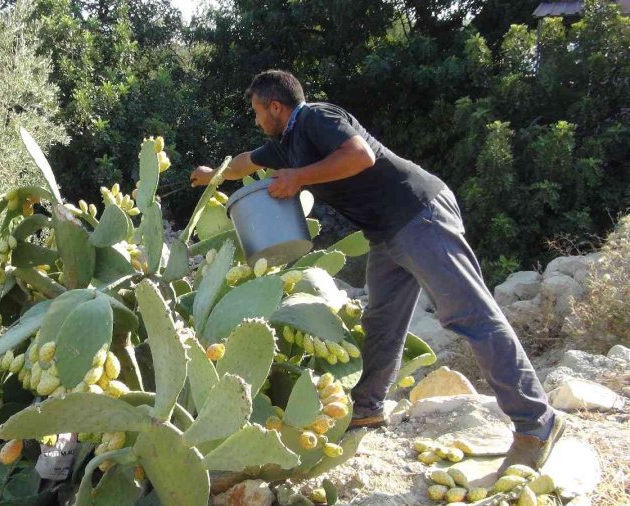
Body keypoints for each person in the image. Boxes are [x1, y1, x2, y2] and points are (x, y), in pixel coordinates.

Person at [189, 70, 564, 471]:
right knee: (382, 320)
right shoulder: (285, 145)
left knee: (470, 315)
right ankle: (367, 407)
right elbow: (246, 162)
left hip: (419, 215)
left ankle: (535, 425)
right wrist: (215, 176)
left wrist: (299, 178)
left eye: (257, 113)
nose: (257, 121)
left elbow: (359, 155)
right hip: (386, 233)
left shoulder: (317, 117)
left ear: (275, 107)